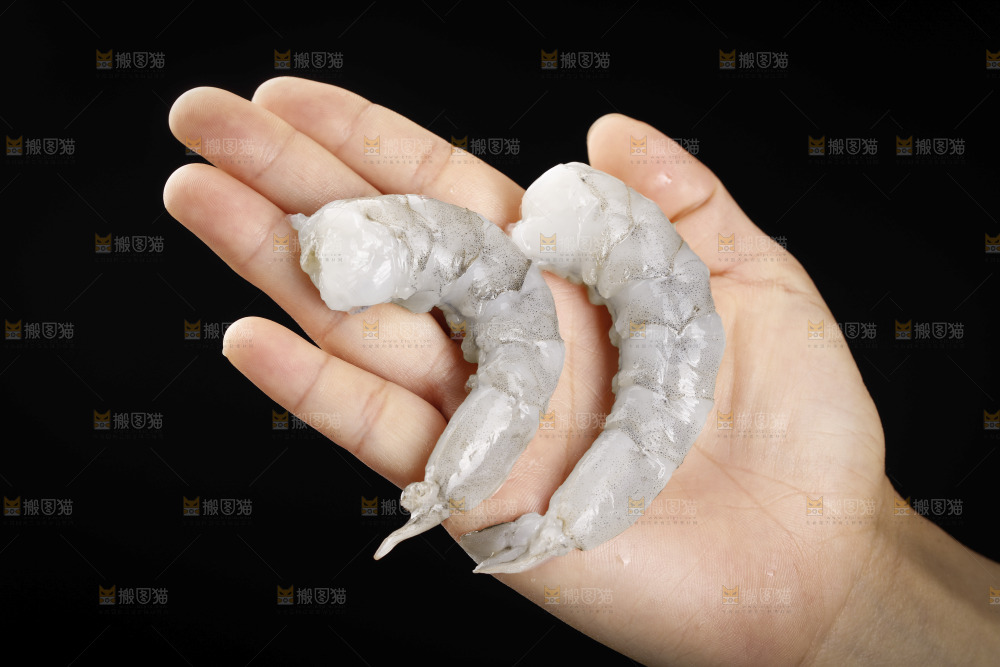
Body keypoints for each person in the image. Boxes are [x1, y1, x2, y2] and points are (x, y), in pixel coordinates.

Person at [163, 77, 1000, 665]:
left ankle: (517, 511)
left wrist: (852, 579)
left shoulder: (594, 278)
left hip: (578, 325)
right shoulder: (517, 277)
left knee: (544, 383)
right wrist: (857, 581)